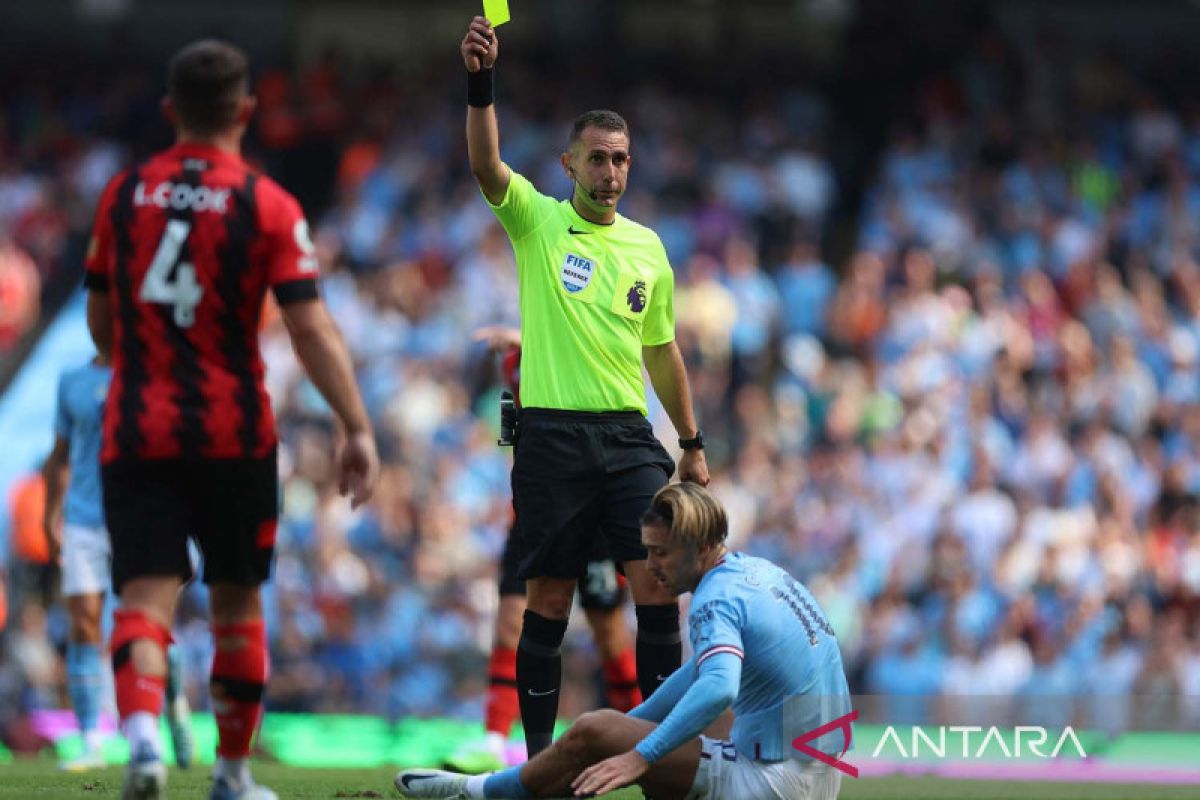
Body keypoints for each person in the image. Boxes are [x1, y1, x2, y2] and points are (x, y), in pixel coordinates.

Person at [83, 39, 379, 800]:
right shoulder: (268, 204)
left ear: (169, 111)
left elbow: (100, 326)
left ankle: (145, 739)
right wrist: (355, 425)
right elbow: (310, 327)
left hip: (138, 426)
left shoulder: (122, 195)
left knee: (145, 595)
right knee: (238, 603)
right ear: (247, 111)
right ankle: (233, 775)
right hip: (233, 432)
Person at [460, 16, 711, 759]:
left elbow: (662, 354)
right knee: (547, 600)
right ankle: (539, 762)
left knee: (657, 592)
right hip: (552, 438)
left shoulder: (647, 248)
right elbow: (485, 166)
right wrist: (481, 82)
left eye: (622, 160)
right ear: (569, 165)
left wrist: (691, 444)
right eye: (597, 159)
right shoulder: (537, 222)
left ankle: (659, 756)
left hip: (630, 438)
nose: (611, 173)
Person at [395, 483, 852, 800]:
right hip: (816, 770)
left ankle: (477, 791)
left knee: (598, 729)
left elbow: (719, 687)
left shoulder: (716, 597)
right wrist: (624, 730)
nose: (648, 566)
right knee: (606, 731)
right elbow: (694, 677)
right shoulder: (757, 573)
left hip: (777, 781)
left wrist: (638, 753)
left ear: (698, 546)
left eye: (660, 552)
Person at [449, 329, 642, 774]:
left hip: (593, 511)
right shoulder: (513, 364)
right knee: (509, 623)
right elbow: (508, 435)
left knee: (608, 633)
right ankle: (494, 740)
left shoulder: (578, 341)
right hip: (535, 512)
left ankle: (639, 734)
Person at [42, 355, 195, 772]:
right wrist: (49, 511)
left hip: (139, 513)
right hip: (83, 519)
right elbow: (60, 453)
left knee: (148, 624)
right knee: (84, 622)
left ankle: (173, 700)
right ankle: (92, 736)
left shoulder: (150, 369)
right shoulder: (72, 378)